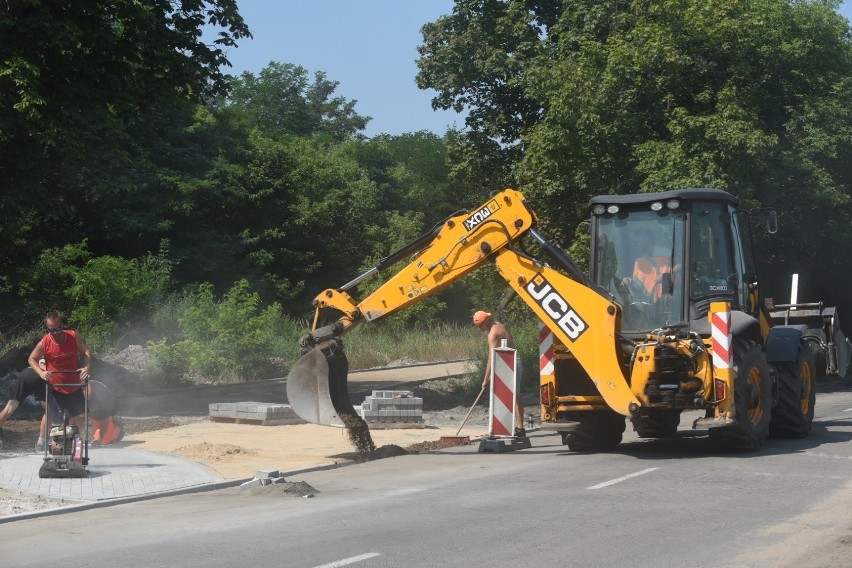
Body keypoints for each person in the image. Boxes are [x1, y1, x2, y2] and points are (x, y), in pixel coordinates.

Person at [27, 311, 92, 451]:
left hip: (74, 384)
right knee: (53, 416)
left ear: (62, 325)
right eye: (51, 330)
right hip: (56, 386)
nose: (55, 333)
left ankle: (78, 444)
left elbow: (86, 352)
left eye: (57, 329)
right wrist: (41, 372)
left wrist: (86, 367)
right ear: (47, 328)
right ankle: (42, 441)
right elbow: (31, 359)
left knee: (80, 416)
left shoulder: (73, 336)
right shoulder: (45, 342)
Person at [473, 310, 526, 438]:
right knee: (512, 395)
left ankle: (518, 428)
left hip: (511, 364)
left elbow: (491, 357)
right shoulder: (499, 325)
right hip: (510, 362)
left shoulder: (492, 334)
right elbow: (510, 339)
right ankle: (511, 428)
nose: (479, 329)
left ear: (485, 322)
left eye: (480, 326)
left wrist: (486, 378)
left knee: (515, 395)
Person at [0, 367, 51, 450]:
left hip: (27, 373)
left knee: (9, 408)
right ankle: (41, 442)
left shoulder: (38, 353)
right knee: (49, 411)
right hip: (42, 374)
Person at [622, 228, 671, 303]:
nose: (637, 244)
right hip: (650, 300)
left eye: (638, 241)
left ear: (647, 239)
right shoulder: (641, 260)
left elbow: (680, 266)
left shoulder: (665, 253)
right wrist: (629, 280)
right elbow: (639, 281)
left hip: (665, 299)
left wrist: (666, 276)